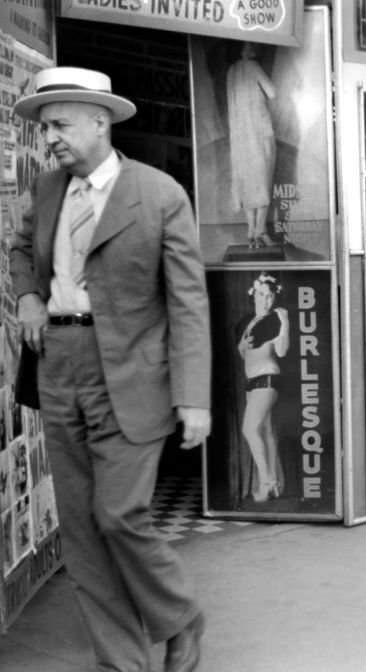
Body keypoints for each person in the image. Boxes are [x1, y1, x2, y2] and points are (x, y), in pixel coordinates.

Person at [12, 67, 209, 672]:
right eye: (46, 129)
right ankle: (123, 661)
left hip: (131, 373)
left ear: (100, 121)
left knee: (119, 514)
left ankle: (180, 617)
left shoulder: (159, 194)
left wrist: (193, 397)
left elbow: (187, 301)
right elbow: (22, 249)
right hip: (59, 366)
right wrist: (27, 297)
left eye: (61, 125)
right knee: (81, 529)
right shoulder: (47, 192)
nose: (51, 138)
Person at [237, 272, 289, 503]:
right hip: (252, 383)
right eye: (261, 295)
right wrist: (241, 345)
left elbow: (282, 351)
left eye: (270, 296)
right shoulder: (251, 322)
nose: (266, 300)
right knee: (266, 432)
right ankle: (275, 484)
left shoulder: (276, 319)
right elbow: (244, 354)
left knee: (249, 430)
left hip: (267, 380)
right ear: (254, 295)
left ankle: (266, 482)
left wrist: (286, 324)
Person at [227, 42, 278, 248]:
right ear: (243, 49)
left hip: (239, 135)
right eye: (249, 46)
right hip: (259, 131)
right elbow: (272, 92)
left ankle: (251, 232)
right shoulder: (253, 67)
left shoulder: (231, 71)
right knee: (262, 179)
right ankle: (260, 231)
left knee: (247, 181)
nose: (253, 50)